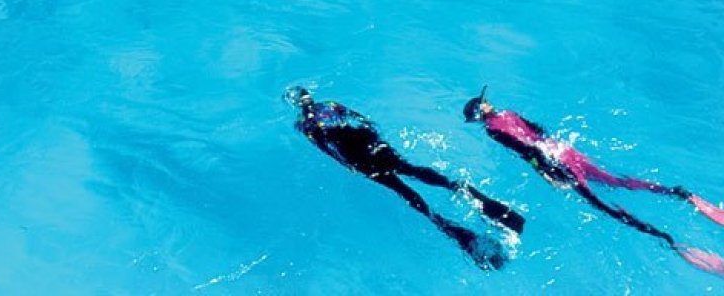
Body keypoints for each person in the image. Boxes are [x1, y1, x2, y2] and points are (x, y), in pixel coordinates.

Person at [463, 86, 724, 277]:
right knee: (615, 181)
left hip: (555, 162)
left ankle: (666, 239)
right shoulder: (508, 113)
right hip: (564, 150)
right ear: (483, 109)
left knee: (603, 206)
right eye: (484, 102)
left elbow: (526, 151)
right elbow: (540, 132)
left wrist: (545, 172)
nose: (488, 103)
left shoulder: (492, 130)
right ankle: (676, 193)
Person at [285, 86, 524, 270]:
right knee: (409, 168)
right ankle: (459, 188)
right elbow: (363, 120)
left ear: (297, 104)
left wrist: (349, 166)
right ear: (310, 97)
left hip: (354, 154)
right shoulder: (330, 104)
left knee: (403, 191)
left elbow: (328, 149)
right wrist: (378, 140)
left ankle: (443, 223)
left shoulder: (304, 125)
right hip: (368, 141)